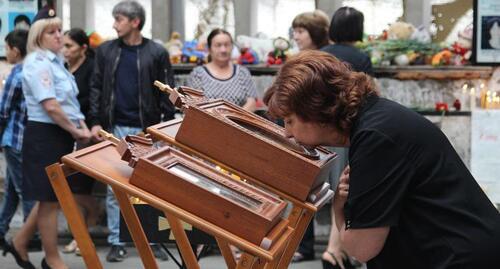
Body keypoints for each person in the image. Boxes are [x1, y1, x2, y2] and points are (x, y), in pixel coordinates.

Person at [264, 49, 500, 269]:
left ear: (314, 110)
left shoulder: (375, 137)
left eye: (290, 120)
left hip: (458, 258)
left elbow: (362, 248)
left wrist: (338, 209)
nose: (287, 133)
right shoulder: (376, 119)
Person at [4, 7, 91, 269]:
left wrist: (82, 126)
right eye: (51, 31)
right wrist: (77, 131)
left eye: (59, 30)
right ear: (38, 36)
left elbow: (69, 103)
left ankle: (20, 242)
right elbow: (51, 106)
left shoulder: (57, 62)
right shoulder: (36, 63)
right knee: (50, 200)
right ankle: (52, 258)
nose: (58, 36)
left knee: (48, 197)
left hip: (60, 134)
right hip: (44, 135)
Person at [88, 0, 174, 262]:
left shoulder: (157, 53)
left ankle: (153, 239)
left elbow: (167, 92)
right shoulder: (105, 51)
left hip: (149, 129)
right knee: (116, 190)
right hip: (115, 128)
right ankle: (117, 240)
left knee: (150, 188)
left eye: (119, 19)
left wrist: (165, 129)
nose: (114, 24)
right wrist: (95, 121)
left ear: (135, 22)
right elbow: (95, 87)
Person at [319, 6, 372, 269]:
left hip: (319, 131)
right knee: (344, 191)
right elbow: (367, 97)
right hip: (346, 132)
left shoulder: (321, 54)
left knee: (327, 191)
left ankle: (337, 253)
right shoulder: (361, 58)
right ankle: (335, 251)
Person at [290, 9, 330, 263]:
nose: (295, 36)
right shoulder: (299, 57)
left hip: (320, 131)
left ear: (314, 32)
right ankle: (302, 244)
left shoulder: (323, 59)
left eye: (301, 31)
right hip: (302, 131)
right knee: (301, 189)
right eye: (294, 31)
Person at [61, 27, 100, 256]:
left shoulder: (91, 69)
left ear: (83, 48)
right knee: (71, 186)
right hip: (67, 132)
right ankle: (82, 234)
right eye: (63, 45)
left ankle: (84, 231)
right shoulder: (64, 68)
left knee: (79, 187)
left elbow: (92, 100)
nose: (65, 50)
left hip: (87, 133)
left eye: (69, 46)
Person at [0, 29, 36, 249]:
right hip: (25, 140)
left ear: (15, 50)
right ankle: (2, 228)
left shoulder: (17, 73)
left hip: (14, 139)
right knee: (13, 190)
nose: (6, 53)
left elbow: (3, 110)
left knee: (24, 190)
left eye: (6, 49)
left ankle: (31, 235)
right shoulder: (34, 70)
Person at [187, 28, 257, 112]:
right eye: (218, 45)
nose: (223, 50)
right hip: (207, 123)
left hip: (239, 124)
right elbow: (195, 105)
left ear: (232, 47)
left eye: (227, 45)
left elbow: (252, 103)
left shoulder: (243, 72)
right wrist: (220, 122)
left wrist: (233, 120)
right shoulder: (198, 74)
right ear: (209, 49)